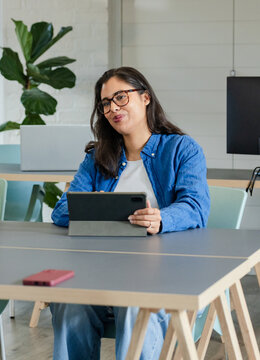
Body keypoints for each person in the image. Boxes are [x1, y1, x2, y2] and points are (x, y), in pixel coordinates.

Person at [50, 67, 210, 360]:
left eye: (120, 98)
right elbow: (61, 211)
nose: (113, 108)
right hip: (102, 270)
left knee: (135, 303)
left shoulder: (183, 149)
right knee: (68, 302)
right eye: (106, 104)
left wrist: (161, 218)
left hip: (164, 272)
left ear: (146, 97)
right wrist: (93, 208)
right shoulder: (96, 158)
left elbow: (196, 207)